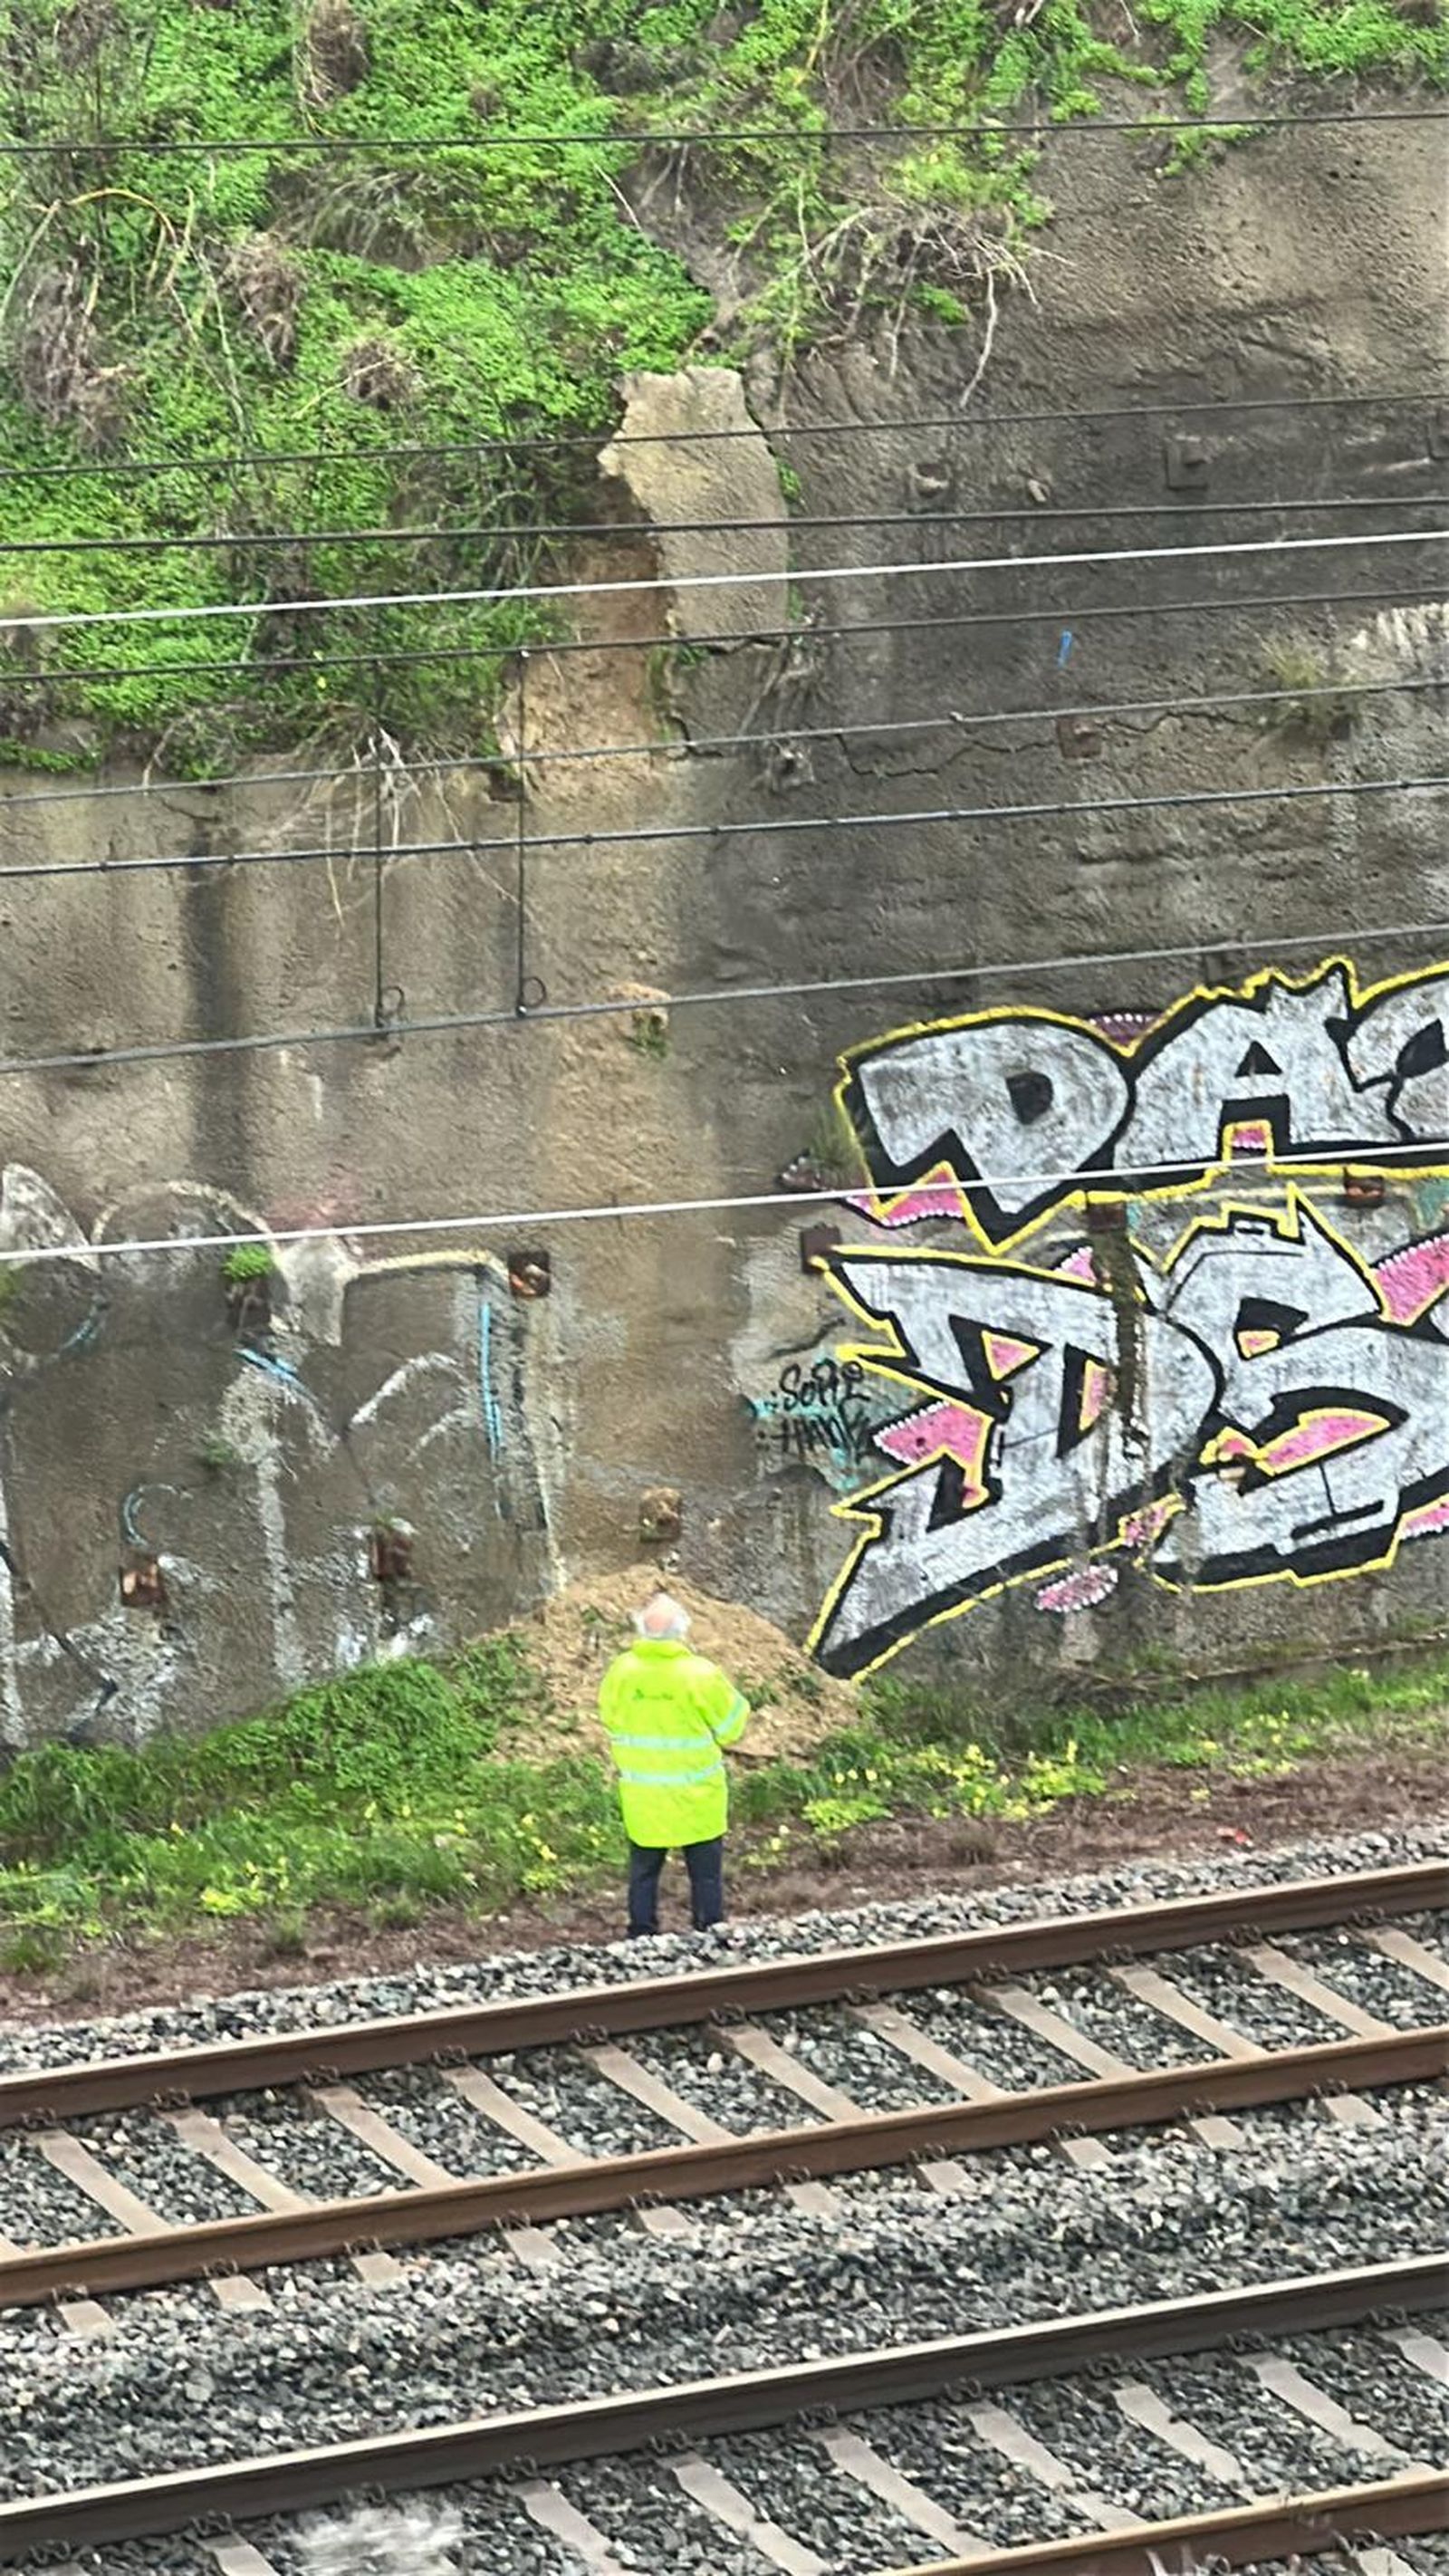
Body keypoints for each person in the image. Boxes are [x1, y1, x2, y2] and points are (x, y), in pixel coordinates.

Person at [599, 1591, 751, 1938]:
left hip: (644, 1797)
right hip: (697, 1797)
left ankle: (642, 1933)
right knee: (705, 1874)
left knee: (643, 1873)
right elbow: (732, 1729)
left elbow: (608, 1716)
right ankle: (708, 1928)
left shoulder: (622, 1671)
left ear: (641, 1630)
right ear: (682, 1631)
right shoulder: (700, 1674)